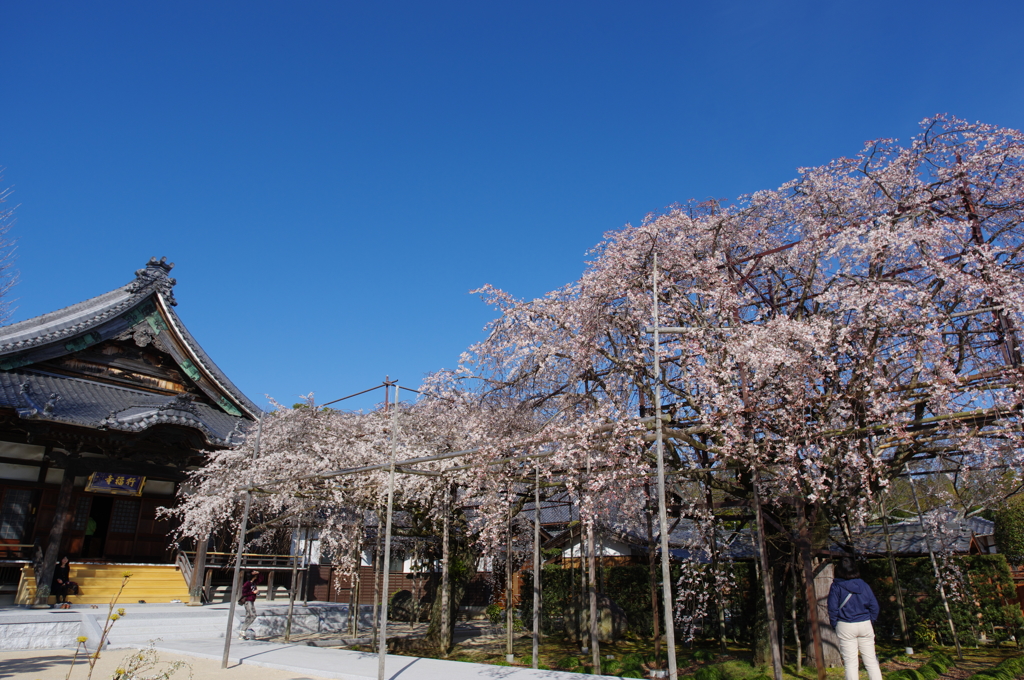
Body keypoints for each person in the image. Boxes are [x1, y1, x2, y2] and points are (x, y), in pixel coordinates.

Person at [828, 555, 882, 680]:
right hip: (865, 624)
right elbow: (874, 606)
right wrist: (870, 620)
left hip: (845, 625)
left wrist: (835, 624)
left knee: (851, 664)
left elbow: (832, 608)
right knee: (871, 662)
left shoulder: (836, 586)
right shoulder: (864, 585)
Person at [239, 570, 260, 639]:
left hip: (252, 601)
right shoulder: (247, 584)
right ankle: (243, 630)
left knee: (248, 616)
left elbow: (261, 579)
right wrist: (253, 592)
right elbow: (244, 593)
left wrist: (259, 573)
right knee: (253, 615)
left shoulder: (253, 583)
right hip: (248, 601)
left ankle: (242, 633)